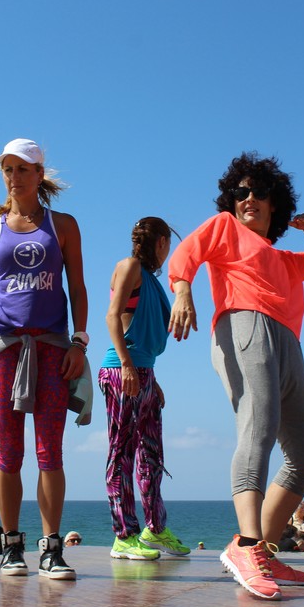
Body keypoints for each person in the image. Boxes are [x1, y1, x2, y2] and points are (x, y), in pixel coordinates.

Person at [168, 151, 304, 601]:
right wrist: (183, 292)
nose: (249, 199)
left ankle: (265, 549)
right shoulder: (225, 227)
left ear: (274, 202)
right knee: (257, 427)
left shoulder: (283, 258)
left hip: (289, 342)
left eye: (259, 192)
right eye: (241, 192)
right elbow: (186, 255)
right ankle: (245, 545)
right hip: (244, 324)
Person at [0, 138, 89, 580]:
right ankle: (12, 546)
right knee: (9, 451)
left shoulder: (63, 225)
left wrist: (79, 343)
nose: (14, 177)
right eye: (8, 169)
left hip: (52, 350)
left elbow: (78, 287)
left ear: (39, 174)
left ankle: (52, 548)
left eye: (22, 169)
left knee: (50, 451)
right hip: (5, 350)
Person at [100, 217, 191, 561]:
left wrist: (152, 378)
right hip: (121, 370)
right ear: (162, 242)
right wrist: (127, 365)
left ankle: (155, 528)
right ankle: (124, 535)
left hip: (144, 373)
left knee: (152, 455)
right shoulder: (129, 266)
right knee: (121, 452)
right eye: (169, 246)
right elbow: (112, 317)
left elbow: (142, 339)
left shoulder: (150, 279)